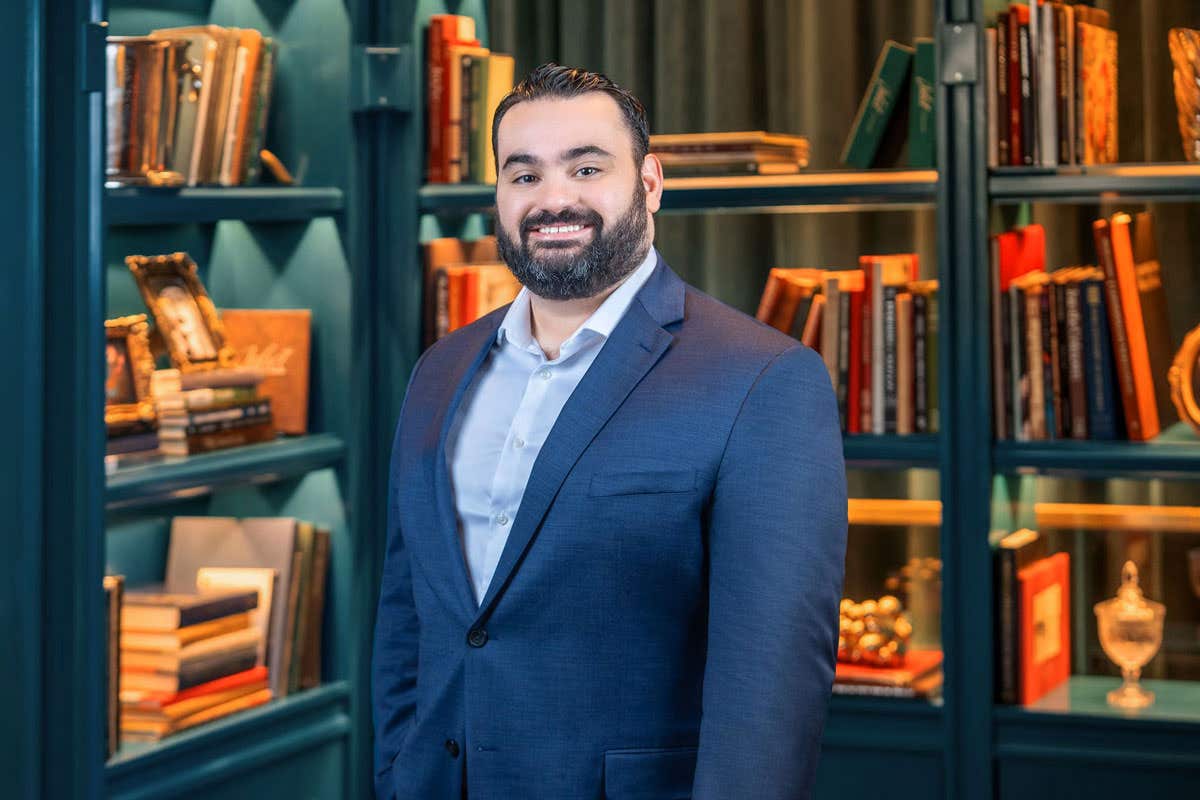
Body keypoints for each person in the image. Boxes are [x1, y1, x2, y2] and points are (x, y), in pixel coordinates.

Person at [372, 62, 847, 800]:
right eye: (522, 175)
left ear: (650, 183)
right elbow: (408, 614)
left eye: (586, 167)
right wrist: (397, 771)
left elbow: (771, 685)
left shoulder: (764, 380)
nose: (553, 199)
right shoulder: (439, 370)